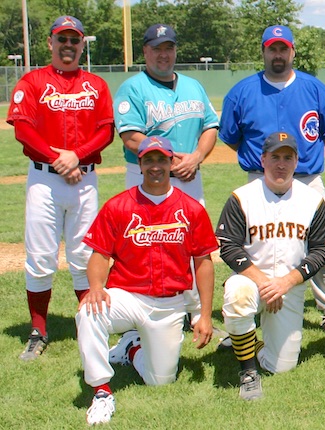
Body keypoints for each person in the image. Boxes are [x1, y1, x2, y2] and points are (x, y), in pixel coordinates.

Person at [76, 136, 217, 425]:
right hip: (127, 295)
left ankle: (132, 347)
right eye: (149, 160)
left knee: (160, 380)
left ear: (171, 163)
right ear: (139, 165)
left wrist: (204, 315)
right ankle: (102, 391)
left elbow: (203, 263)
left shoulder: (191, 209)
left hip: (170, 303)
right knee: (89, 311)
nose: (155, 166)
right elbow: (99, 254)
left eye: (161, 160)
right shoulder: (118, 206)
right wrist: (96, 288)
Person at [219, 24, 325, 341]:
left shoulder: (314, 89)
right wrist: (265, 164)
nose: (278, 54)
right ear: (264, 52)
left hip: (307, 180)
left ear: (292, 51)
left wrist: (295, 163)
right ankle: (248, 310)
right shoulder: (242, 92)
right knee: (255, 245)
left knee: (323, 248)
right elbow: (231, 137)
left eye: (283, 48)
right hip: (259, 180)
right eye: (272, 48)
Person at [6, 15, 114, 361]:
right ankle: (38, 330)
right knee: (41, 257)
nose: (68, 45)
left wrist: (77, 156)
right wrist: (59, 159)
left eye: (74, 39)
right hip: (45, 179)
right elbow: (23, 129)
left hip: (84, 179)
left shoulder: (95, 85)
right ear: (50, 42)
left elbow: (106, 130)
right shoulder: (33, 81)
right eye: (62, 39)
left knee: (84, 255)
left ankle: (88, 325)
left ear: (81, 44)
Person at [113, 23, 220, 330]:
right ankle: (145, 310)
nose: (163, 54)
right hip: (146, 177)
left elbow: (210, 126)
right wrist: (170, 162)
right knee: (147, 243)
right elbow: (131, 137)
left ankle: (195, 312)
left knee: (191, 244)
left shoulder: (193, 86)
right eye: (157, 48)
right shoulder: (133, 88)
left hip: (189, 175)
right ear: (145, 51)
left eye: (169, 48)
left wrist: (197, 157)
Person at [215, 132, 325, 401]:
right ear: (263, 159)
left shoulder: (312, 200)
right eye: (275, 157)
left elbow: (320, 251)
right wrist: (266, 283)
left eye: (287, 157)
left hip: (289, 286)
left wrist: (285, 283)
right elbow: (229, 246)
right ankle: (248, 371)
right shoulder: (242, 197)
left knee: (281, 366)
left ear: (296, 161)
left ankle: (244, 340)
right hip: (251, 280)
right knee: (237, 295)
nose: (281, 164)